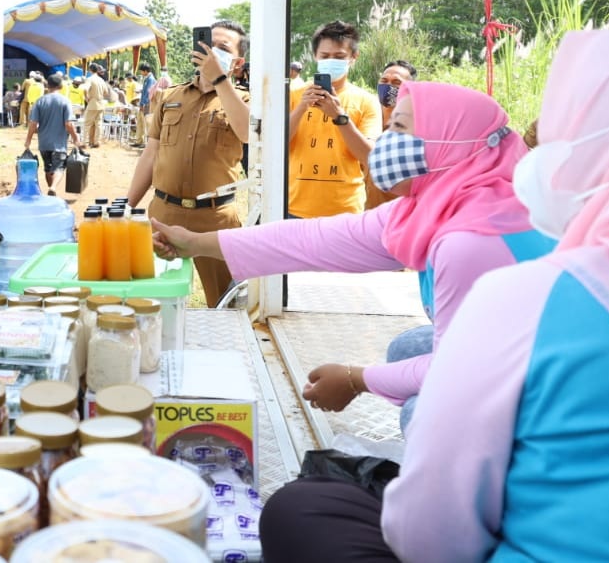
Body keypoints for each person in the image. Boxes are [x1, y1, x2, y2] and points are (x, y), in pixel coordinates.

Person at [259, 30, 609, 562]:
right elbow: (320, 238)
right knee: (411, 348)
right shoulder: (442, 221)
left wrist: (356, 378)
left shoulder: (523, 296)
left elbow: (432, 538)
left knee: (301, 508)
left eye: (551, 141)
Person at [153, 80, 555, 432]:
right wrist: (197, 242)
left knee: (428, 412)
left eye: (400, 128)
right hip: (517, 351)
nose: (387, 143)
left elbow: (456, 370)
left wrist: (355, 379)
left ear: (448, 142)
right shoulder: (439, 206)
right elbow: (312, 239)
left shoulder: (472, 239)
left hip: (553, 382)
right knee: (408, 348)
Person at [127, 20, 250, 308]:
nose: (211, 52)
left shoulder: (244, 100)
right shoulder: (170, 97)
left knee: (223, 305)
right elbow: (151, 153)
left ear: (237, 61)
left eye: (222, 48)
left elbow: (246, 133)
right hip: (163, 213)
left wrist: (219, 80)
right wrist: (126, 205)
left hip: (216, 218)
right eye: (208, 46)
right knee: (151, 301)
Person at [288, 21, 382, 218]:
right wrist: (301, 108)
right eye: (325, 56)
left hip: (345, 212)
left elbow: (369, 158)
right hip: (293, 209)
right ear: (315, 56)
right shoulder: (292, 95)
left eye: (339, 57)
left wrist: (340, 118)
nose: (331, 61)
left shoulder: (367, 101)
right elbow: (276, 148)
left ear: (353, 58)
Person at [365, 59, 419, 210]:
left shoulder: (415, 128)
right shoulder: (367, 120)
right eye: (384, 80)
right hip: (363, 216)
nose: (388, 86)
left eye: (396, 82)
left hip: (397, 217)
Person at [24, 72, 82, 194]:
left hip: (44, 143)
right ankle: (53, 187)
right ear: (60, 86)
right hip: (59, 143)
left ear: (47, 85)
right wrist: (75, 137)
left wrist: (28, 140)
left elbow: (33, 124)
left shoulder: (39, 102)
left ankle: (51, 192)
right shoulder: (65, 101)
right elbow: (68, 124)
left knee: (48, 168)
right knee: (59, 167)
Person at [81, 63, 110, 149]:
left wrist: (86, 97)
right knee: (99, 124)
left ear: (90, 70)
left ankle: (84, 142)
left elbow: (85, 88)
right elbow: (106, 92)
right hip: (101, 104)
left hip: (92, 103)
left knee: (87, 124)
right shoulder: (101, 80)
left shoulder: (89, 79)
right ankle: (97, 142)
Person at [132, 62, 155, 148]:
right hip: (142, 104)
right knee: (140, 123)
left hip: (146, 105)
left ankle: (145, 143)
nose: (141, 73)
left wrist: (143, 104)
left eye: (141, 71)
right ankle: (138, 141)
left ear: (145, 71)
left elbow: (148, 93)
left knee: (146, 124)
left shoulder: (150, 79)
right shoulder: (147, 79)